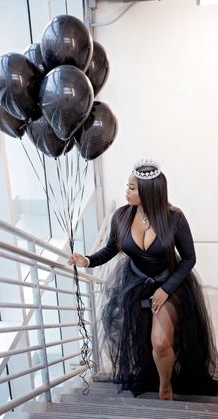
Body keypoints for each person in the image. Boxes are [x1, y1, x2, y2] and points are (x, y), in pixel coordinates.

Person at [69, 159, 218, 400]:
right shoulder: (121, 216)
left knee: (160, 342)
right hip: (135, 284)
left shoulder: (175, 219)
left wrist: (166, 290)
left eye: (131, 187)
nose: (126, 192)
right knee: (142, 341)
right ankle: (153, 373)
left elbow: (189, 259)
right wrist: (86, 260)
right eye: (127, 186)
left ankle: (165, 386)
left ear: (149, 191)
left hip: (170, 284)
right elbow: (109, 250)